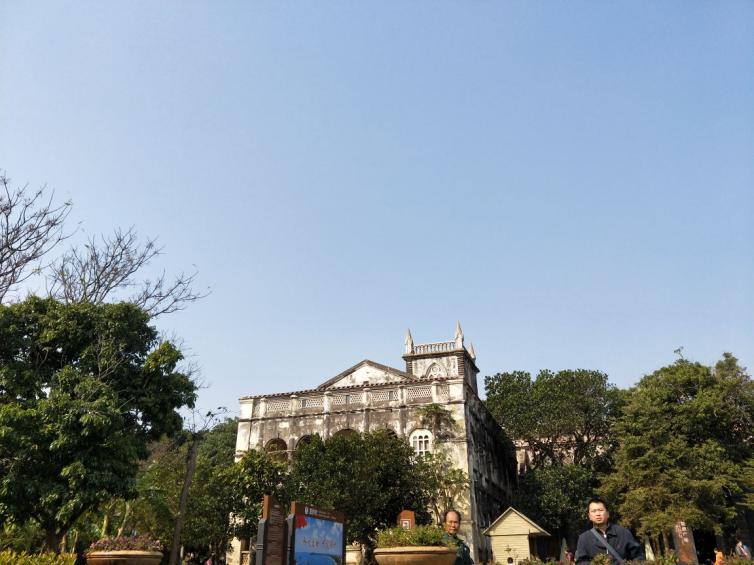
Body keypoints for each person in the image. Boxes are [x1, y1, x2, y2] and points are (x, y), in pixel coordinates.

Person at [575, 498, 644, 565]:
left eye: (600, 510)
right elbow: (581, 562)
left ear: (608, 514)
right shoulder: (584, 538)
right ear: (589, 516)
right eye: (593, 511)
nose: (598, 514)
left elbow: (638, 556)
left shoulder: (623, 533)